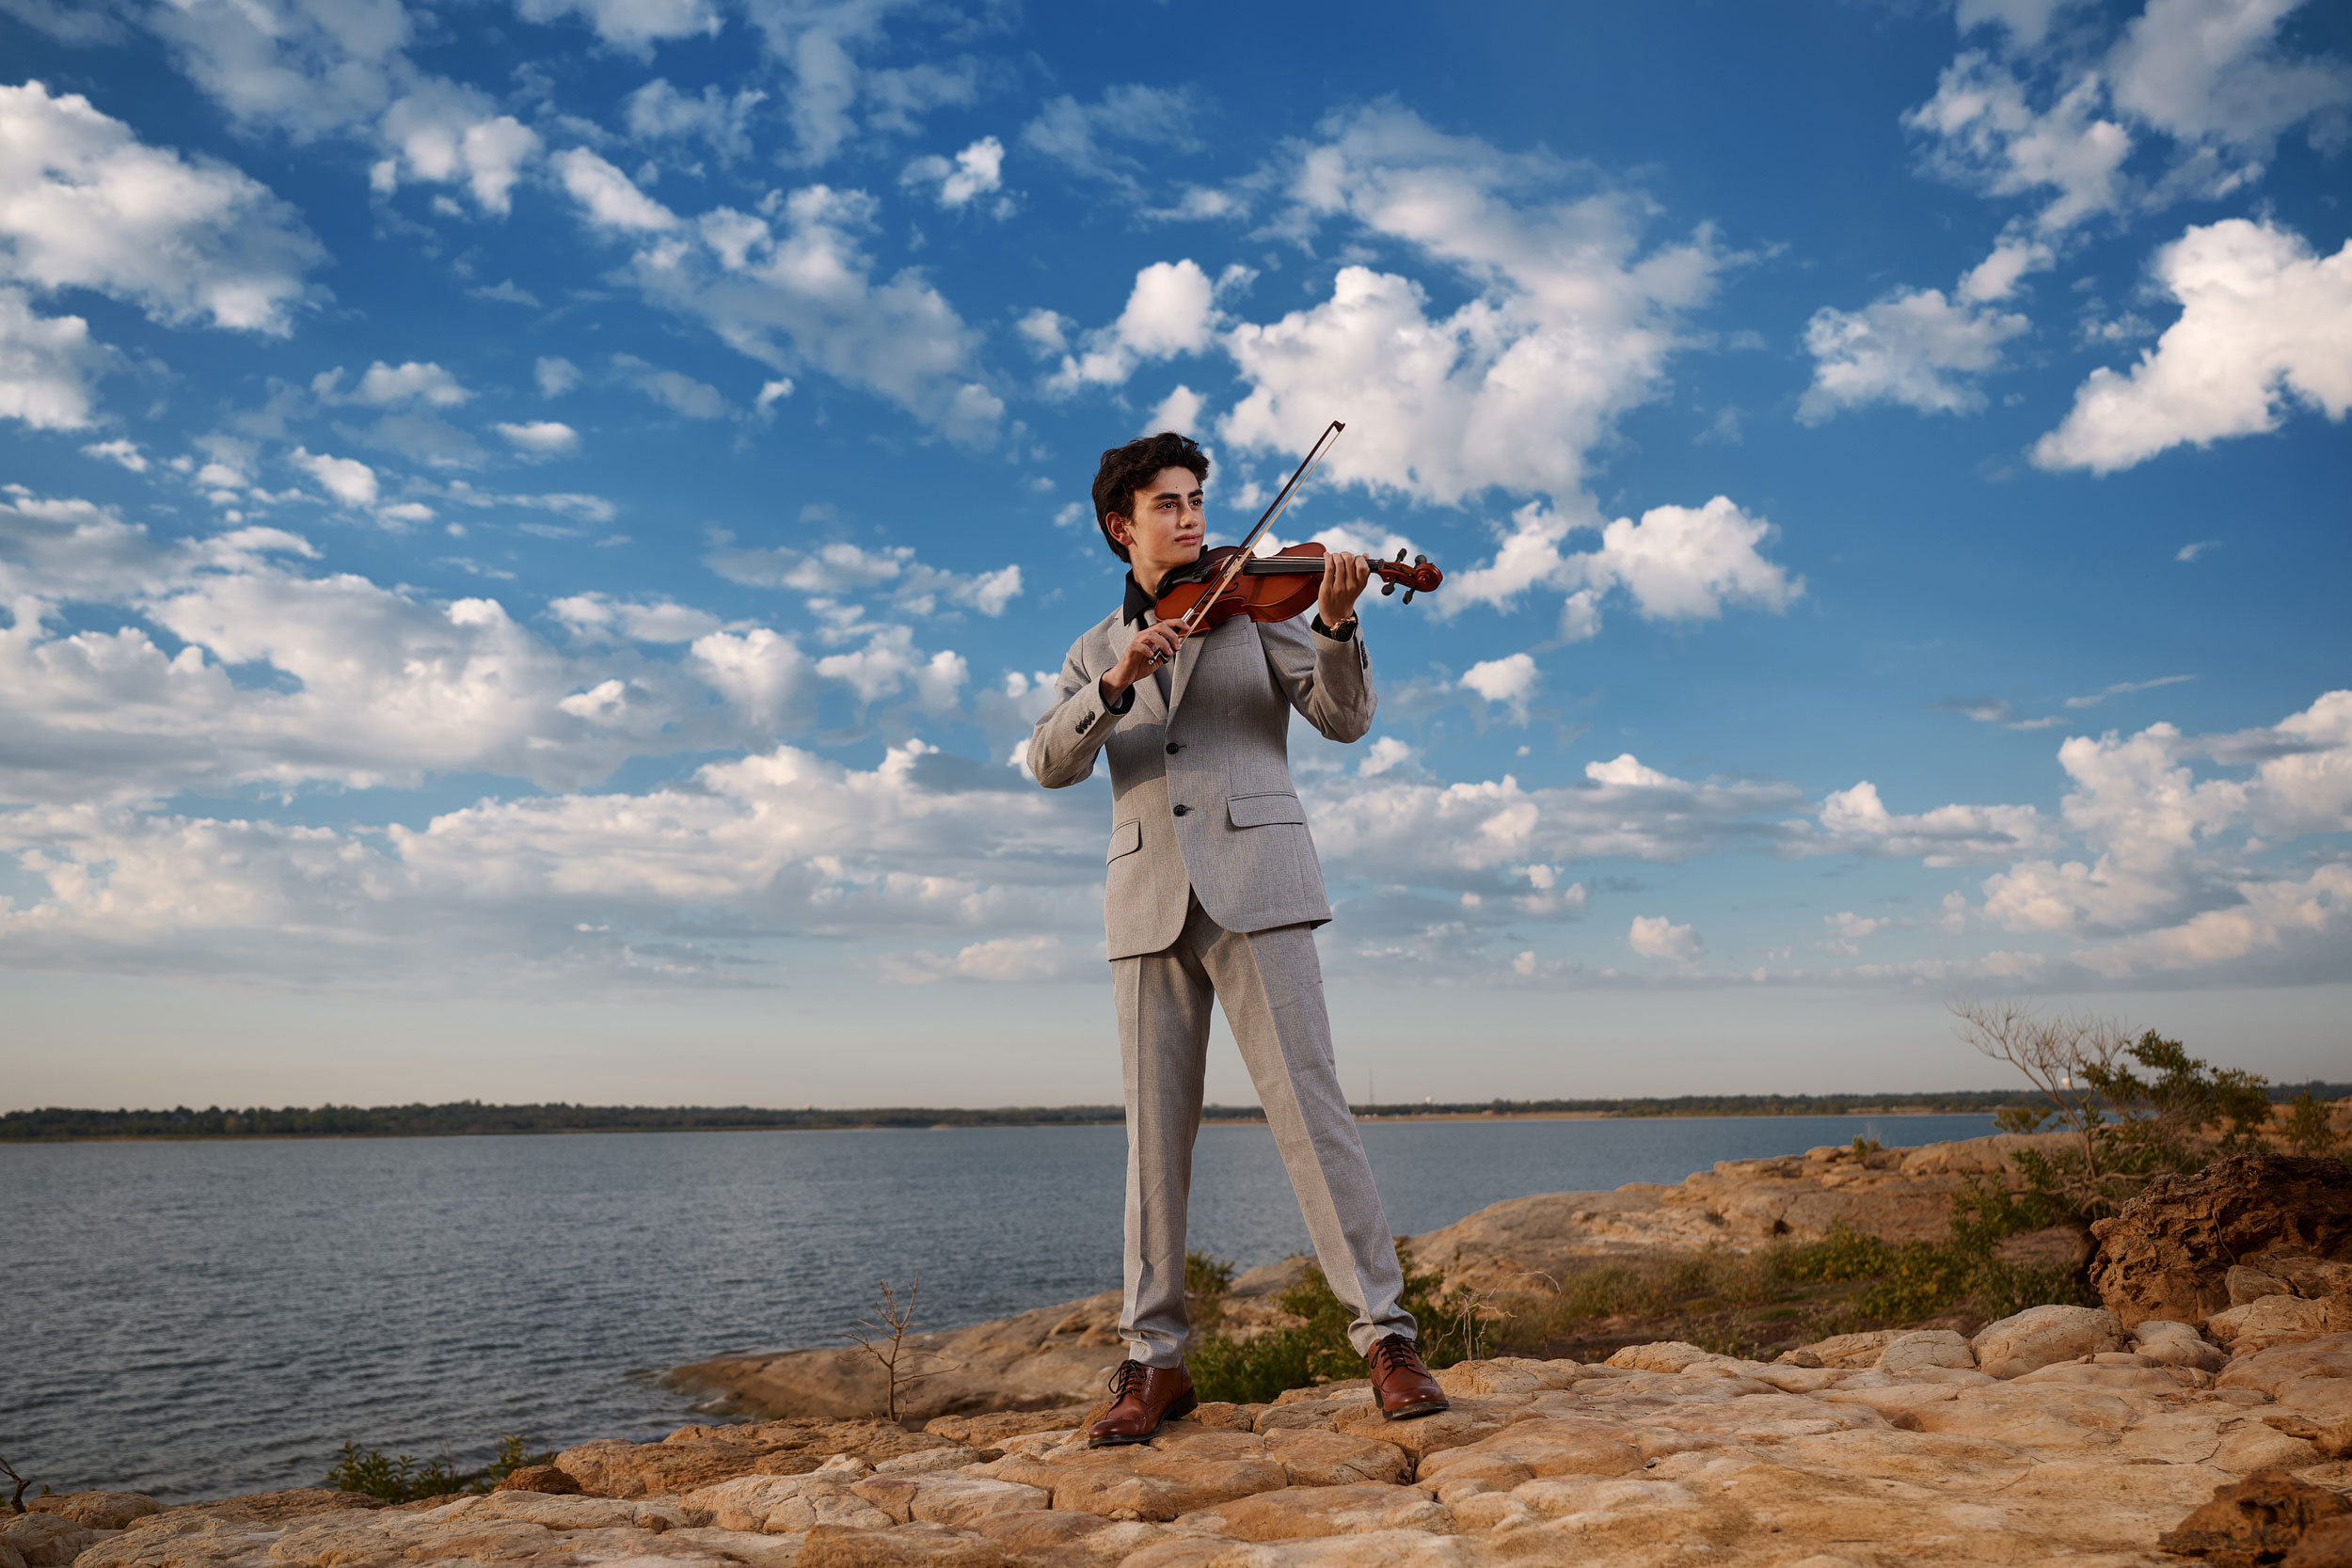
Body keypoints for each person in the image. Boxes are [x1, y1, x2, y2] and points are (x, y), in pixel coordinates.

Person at [1026, 430, 1449, 1447]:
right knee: (1151, 1146)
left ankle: (1385, 1339)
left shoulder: (1260, 605)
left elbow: (1343, 719)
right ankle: (1152, 1362)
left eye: (1197, 498)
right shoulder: (1093, 647)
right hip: (1144, 903)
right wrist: (1119, 678)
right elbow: (1048, 761)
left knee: (1314, 1113)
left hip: (1258, 884)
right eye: (1166, 503)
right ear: (1119, 526)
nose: (1191, 516)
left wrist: (1341, 619)